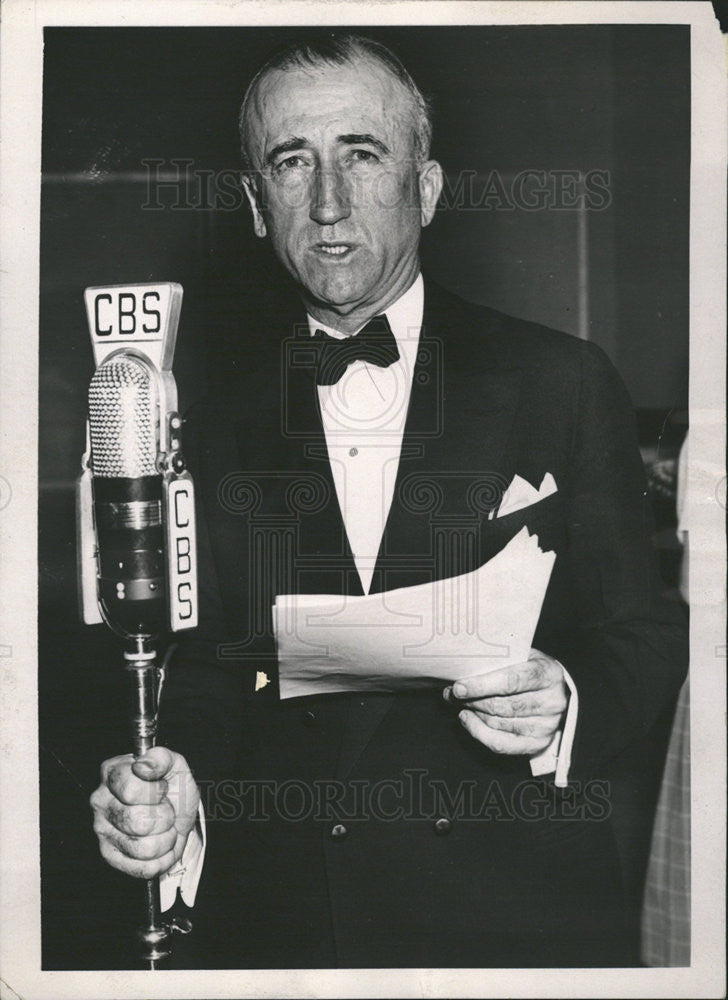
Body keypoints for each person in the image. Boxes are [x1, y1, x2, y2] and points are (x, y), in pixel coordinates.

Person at [89, 33, 688, 968]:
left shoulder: (559, 379)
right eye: (293, 162)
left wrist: (566, 700)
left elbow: (646, 635)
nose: (327, 201)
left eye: (362, 154)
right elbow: (209, 665)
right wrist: (174, 784)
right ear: (255, 204)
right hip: (291, 932)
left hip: (512, 922)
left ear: (429, 187)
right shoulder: (213, 417)